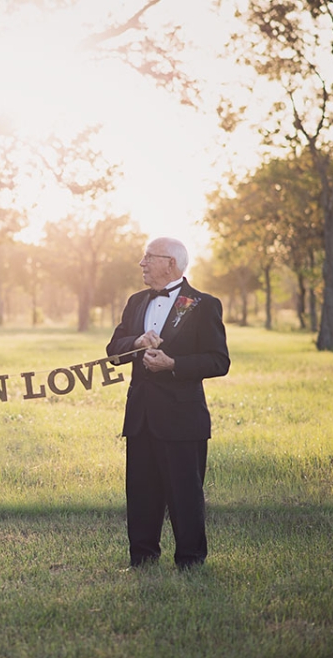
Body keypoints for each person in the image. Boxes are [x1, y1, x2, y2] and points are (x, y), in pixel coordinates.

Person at [106, 238, 230, 570]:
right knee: (141, 492)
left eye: (149, 257)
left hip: (182, 417)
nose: (141, 263)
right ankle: (142, 559)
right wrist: (136, 341)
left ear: (170, 263)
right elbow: (113, 350)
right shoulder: (135, 302)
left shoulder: (203, 304)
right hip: (141, 416)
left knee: (185, 495)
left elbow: (219, 361)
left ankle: (190, 561)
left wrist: (173, 364)